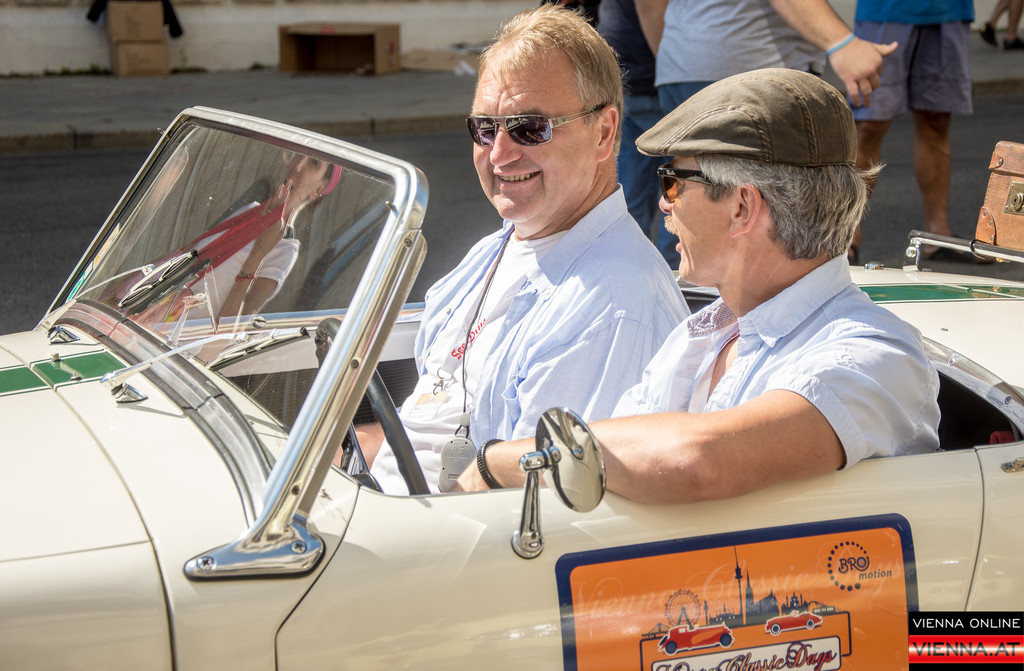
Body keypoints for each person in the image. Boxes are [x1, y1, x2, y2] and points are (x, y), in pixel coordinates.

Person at [455, 68, 941, 504]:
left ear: (742, 207)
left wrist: (501, 463)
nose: (665, 204)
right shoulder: (703, 334)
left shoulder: (872, 353)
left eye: (673, 181)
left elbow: (699, 459)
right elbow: (628, 446)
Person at [368, 5, 689, 495]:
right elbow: (435, 415)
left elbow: (536, 504)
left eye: (530, 127)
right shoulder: (497, 248)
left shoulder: (611, 302)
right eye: (484, 127)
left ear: (603, 133)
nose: (499, 153)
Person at [636, 0, 898, 266]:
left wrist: (681, 55)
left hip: (688, 62)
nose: (663, 203)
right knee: (748, 222)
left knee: (692, 210)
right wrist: (841, 42)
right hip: (750, 70)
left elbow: (648, 4)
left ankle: (686, 288)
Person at [103, 152, 341, 325]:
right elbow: (195, 253)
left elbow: (237, 324)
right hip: (152, 304)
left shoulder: (285, 249)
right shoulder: (251, 210)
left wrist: (258, 253)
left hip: (176, 333)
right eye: (298, 156)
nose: (298, 165)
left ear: (318, 190)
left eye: (313, 163)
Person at [849, 0, 978, 262]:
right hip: (885, 9)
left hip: (948, 10)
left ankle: (937, 235)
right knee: (869, 124)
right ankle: (846, 237)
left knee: (936, 119)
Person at [597, 0, 664, 241]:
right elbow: (649, 4)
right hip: (646, 73)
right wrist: (668, 61)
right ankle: (674, 262)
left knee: (630, 193)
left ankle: (625, 252)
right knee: (679, 188)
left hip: (622, 69)